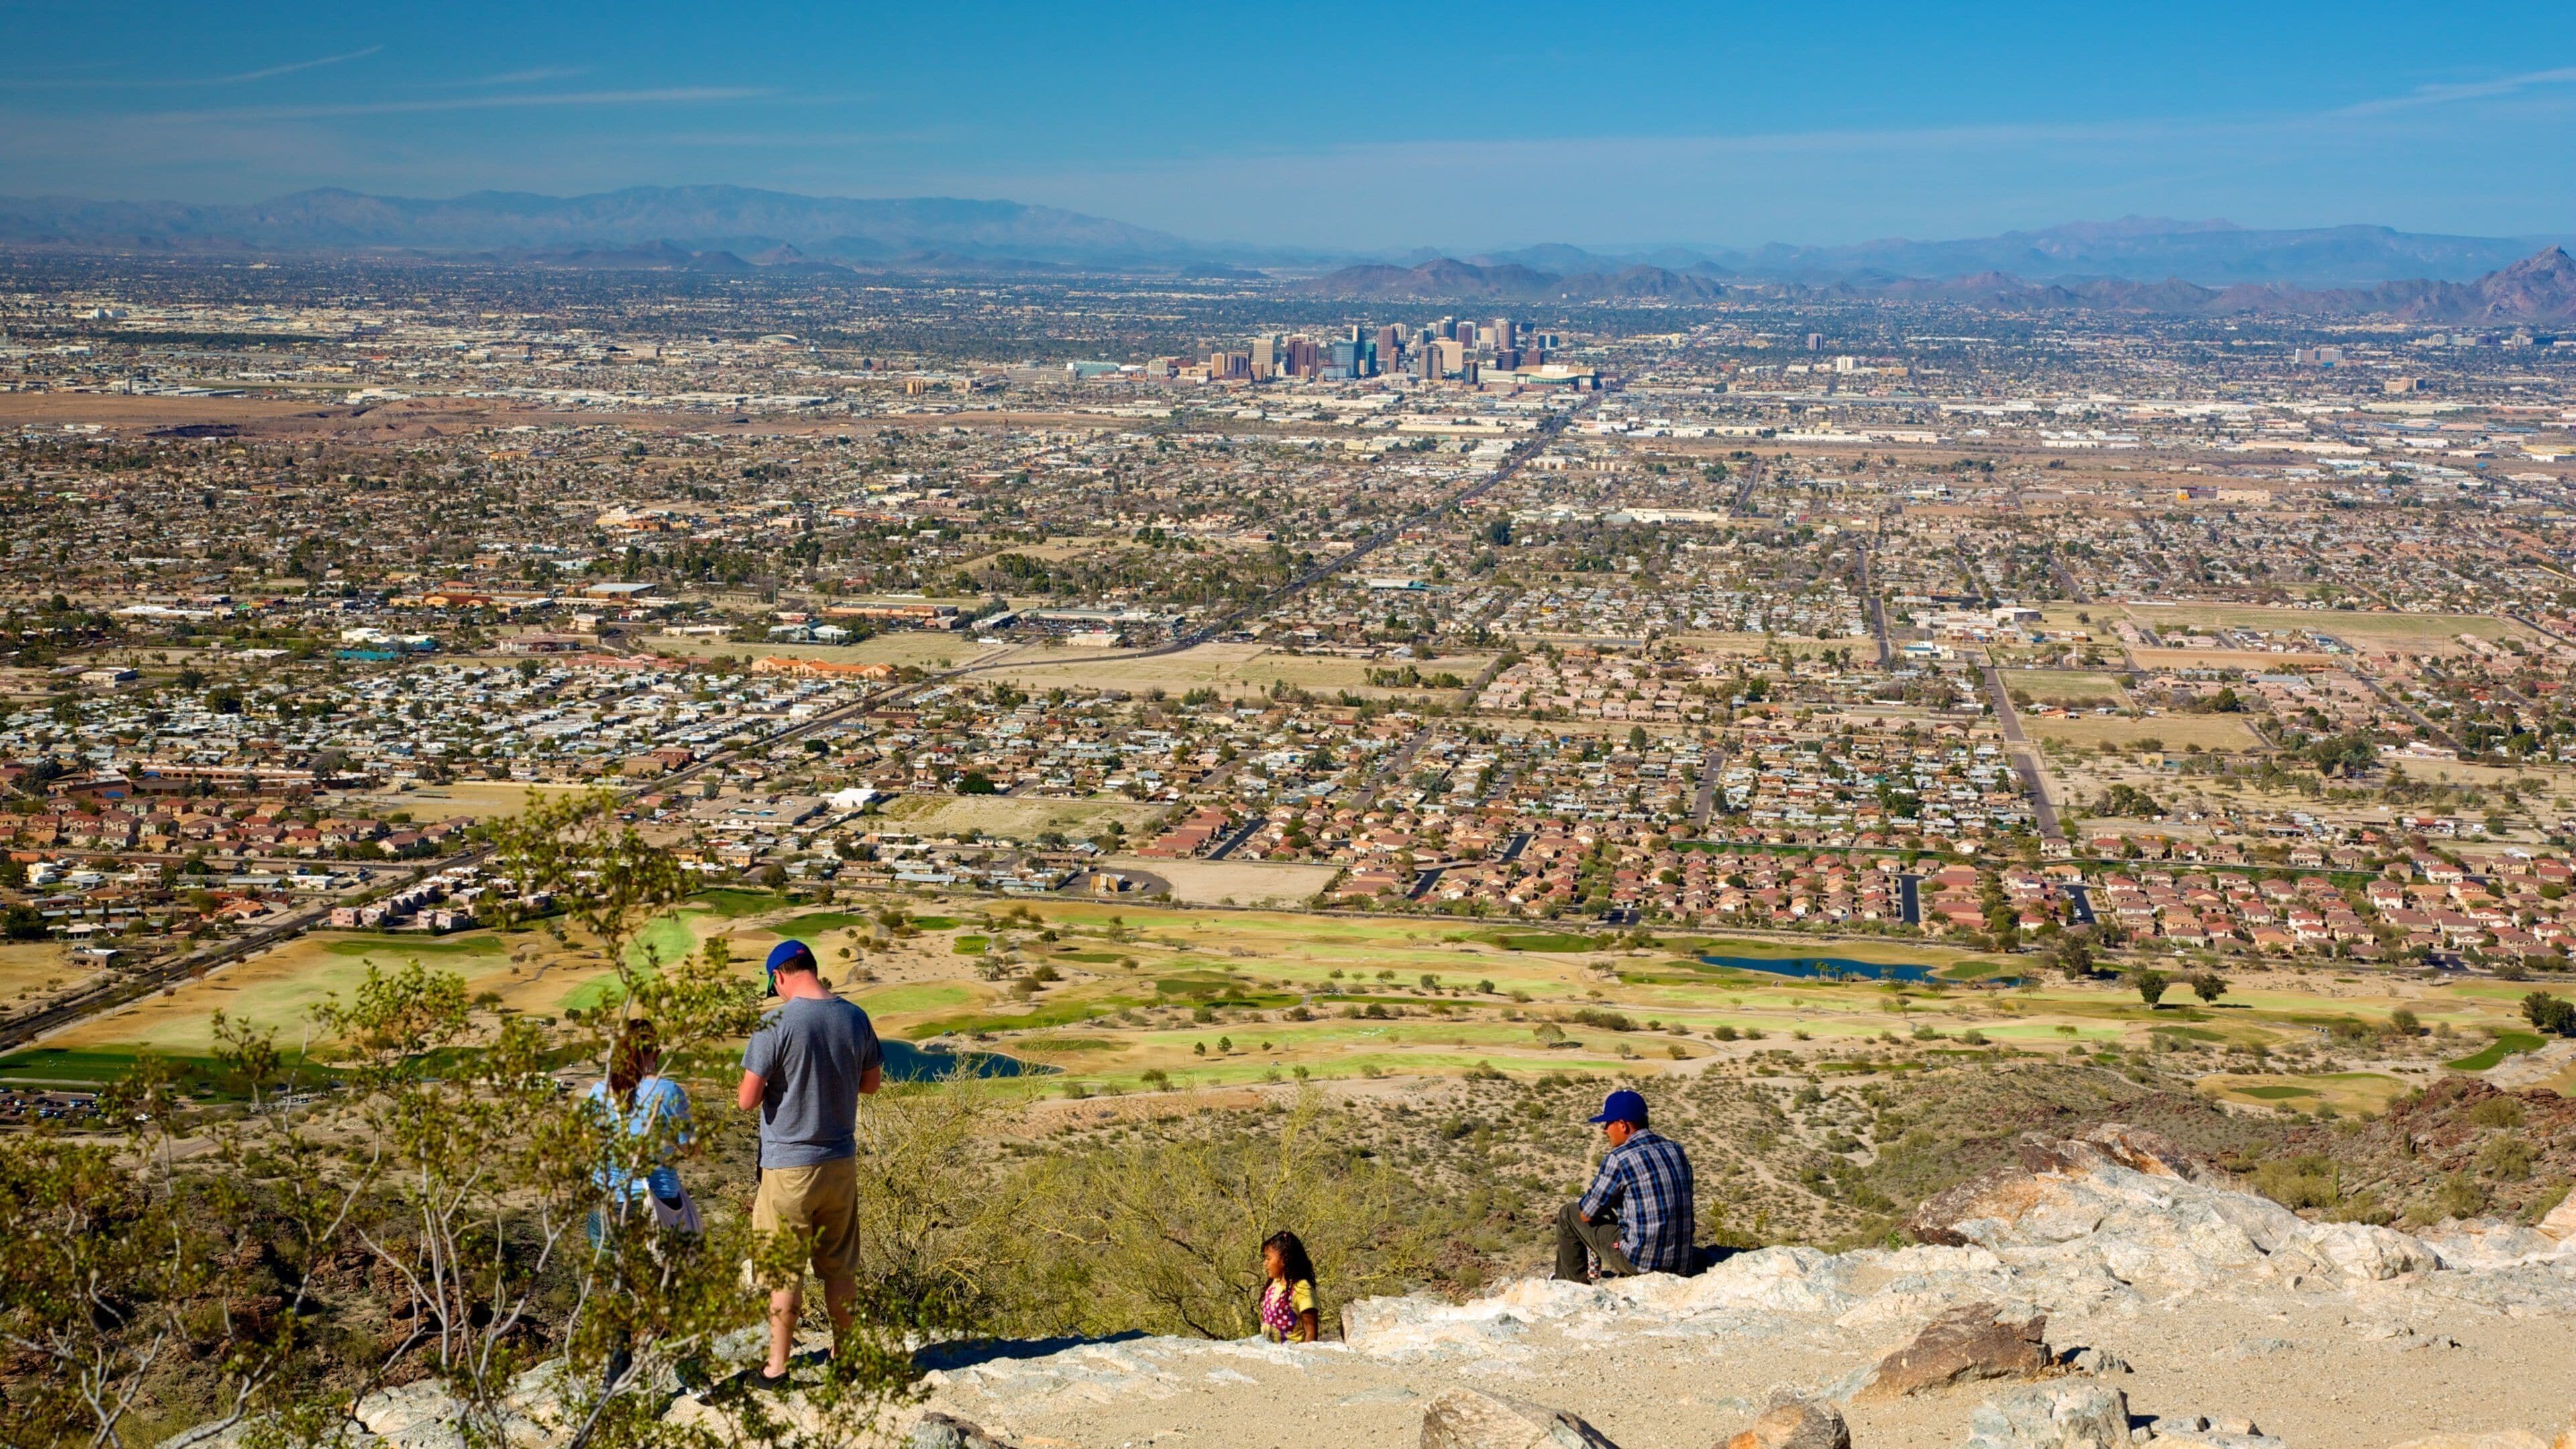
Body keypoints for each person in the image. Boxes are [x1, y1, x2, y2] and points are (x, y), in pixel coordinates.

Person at [737, 938, 883, 1389]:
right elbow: (872, 1084)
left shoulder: (775, 1023)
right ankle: (844, 1359)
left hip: (787, 1167)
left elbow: (746, 1101)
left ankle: (777, 1369)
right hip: (839, 1162)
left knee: (784, 1270)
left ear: (780, 976)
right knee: (840, 1267)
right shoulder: (854, 1018)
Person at [1554, 1088, 1694, 1281]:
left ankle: (1570, 1287)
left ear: (1622, 1125)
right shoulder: (1676, 1150)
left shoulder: (1620, 1158)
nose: (1604, 1130)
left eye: (1607, 1123)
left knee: (1568, 1214)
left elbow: (1586, 1214)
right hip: (1681, 1261)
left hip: (1637, 1259)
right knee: (1609, 1214)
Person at [1256, 1230, 1319, 1343]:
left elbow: (1311, 1333)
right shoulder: (1274, 1284)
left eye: (1268, 1258)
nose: (1265, 1263)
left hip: (1291, 1356)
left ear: (1285, 1259)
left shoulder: (1302, 1289)